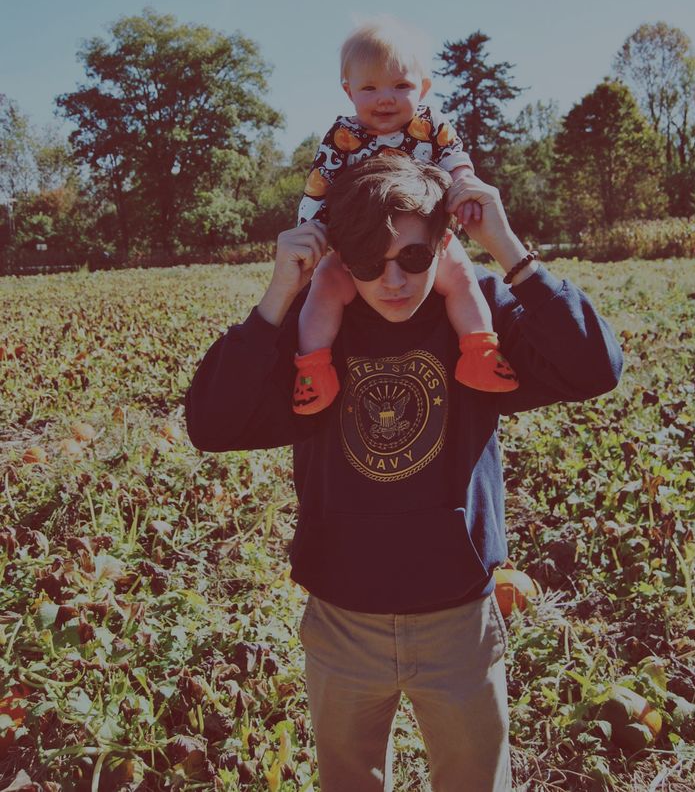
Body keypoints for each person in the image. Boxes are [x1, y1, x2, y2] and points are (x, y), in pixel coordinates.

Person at [185, 155, 623, 792]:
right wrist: (280, 293)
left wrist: (506, 247)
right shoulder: (315, 332)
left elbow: (595, 367)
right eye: (369, 263)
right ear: (342, 258)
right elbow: (212, 425)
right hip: (342, 620)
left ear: (443, 245)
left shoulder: (475, 322)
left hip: (459, 619)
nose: (392, 281)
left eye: (413, 259)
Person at [292, 23, 518, 416]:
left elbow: (457, 161)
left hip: (427, 238)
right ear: (348, 91)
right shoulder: (342, 136)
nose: (385, 99)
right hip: (358, 245)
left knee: (463, 278)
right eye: (369, 89)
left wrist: (463, 185)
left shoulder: (429, 126)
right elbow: (319, 185)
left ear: (423, 89)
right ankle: (313, 369)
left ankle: (480, 350)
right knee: (325, 285)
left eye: (400, 86)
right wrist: (311, 230)